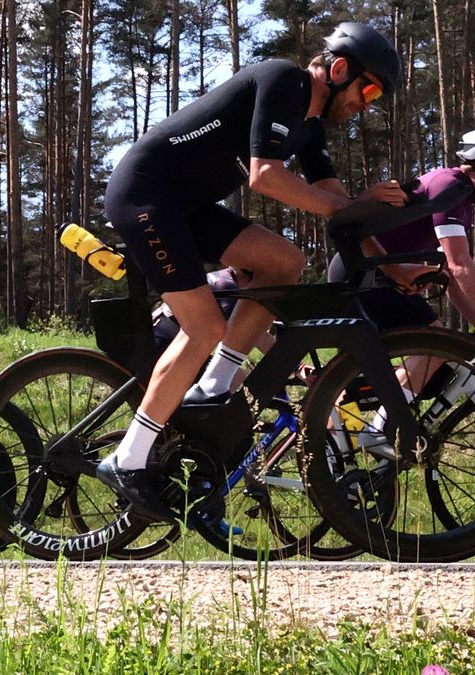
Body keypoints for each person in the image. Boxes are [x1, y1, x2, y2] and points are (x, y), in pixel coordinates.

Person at [97, 21, 408, 522]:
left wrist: (384, 253)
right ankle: (127, 458)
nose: (367, 103)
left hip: (186, 206)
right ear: (341, 68)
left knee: (284, 261)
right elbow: (266, 176)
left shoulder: (310, 126)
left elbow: (339, 204)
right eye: (368, 88)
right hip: (146, 197)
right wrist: (345, 207)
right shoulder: (284, 80)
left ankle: (215, 387)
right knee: (203, 329)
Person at [328, 127, 475, 350]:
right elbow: (459, 264)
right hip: (363, 273)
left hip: (379, 274)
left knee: (440, 351)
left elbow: (451, 274)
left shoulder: (460, 194)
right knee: (437, 349)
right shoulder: (449, 186)